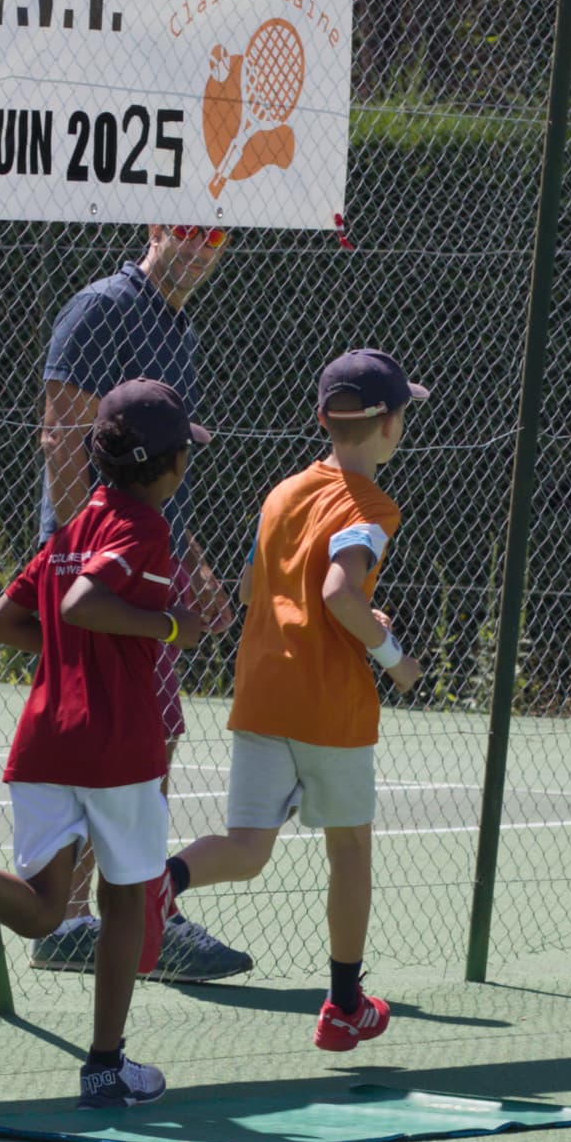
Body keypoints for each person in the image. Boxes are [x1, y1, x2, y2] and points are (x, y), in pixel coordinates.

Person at [0, 379, 211, 1105]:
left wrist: (71, 652)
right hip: (116, 745)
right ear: (170, 465)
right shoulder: (144, 526)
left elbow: (0, 622)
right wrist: (169, 627)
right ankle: (105, 1064)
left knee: (44, 909)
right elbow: (84, 602)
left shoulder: (70, 530)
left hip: (44, 741)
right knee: (123, 899)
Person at [164, 348, 426, 1053]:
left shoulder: (282, 493)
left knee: (247, 848)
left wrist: (350, 613)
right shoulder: (373, 505)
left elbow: (255, 587)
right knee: (350, 849)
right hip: (328, 707)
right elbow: (339, 591)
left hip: (261, 692)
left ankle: (158, 886)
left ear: (323, 419)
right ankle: (344, 1006)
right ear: (388, 425)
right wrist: (392, 656)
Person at [34, 224, 251, 980]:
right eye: (185, 230)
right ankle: (120, 916)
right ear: (156, 227)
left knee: (138, 737)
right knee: (142, 735)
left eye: (214, 235)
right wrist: (89, 563)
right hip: (102, 572)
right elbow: (63, 439)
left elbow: (155, 474)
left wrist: (191, 561)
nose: (199, 247)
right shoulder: (104, 308)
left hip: (144, 563)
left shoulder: (176, 328)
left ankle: (87, 916)